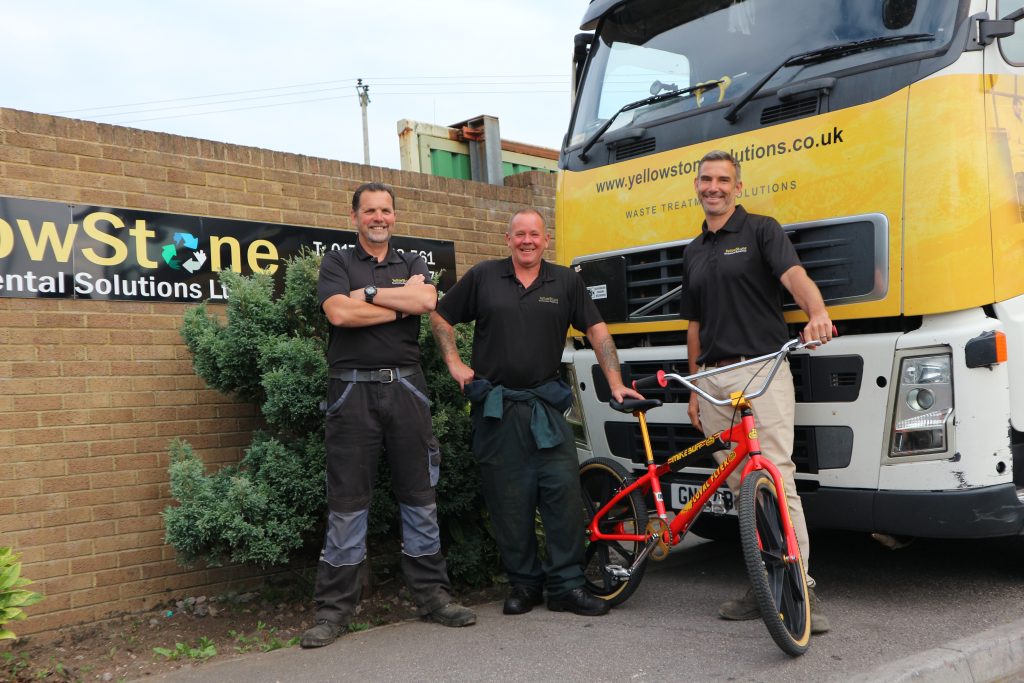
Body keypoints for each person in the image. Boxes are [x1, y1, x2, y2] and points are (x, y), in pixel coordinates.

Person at [429, 208, 644, 618]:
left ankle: (566, 586)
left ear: (547, 241)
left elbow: (597, 331)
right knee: (509, 501)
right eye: (520, 234)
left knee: (562, 496)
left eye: (535, 235)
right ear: (507, 239)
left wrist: (614, 381)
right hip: (498, 410)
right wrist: (454, 363)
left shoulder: (564, 281)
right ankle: (525, 585)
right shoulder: (484, 276)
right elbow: (440, 315)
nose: (527, 241)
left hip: (546, 407)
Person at [302, 182, 475, 649]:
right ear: (354, 216)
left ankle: (433, 597)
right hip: (350, 392)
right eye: (370, 210)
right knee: (347, 502)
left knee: (420, 496)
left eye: (386, 210)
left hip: (407, 390)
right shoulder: (337, 263)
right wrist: (395, 304)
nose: (379, 217)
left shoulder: (412, 263)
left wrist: (371, 293)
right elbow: (339, 314)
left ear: (394, 216)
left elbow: (425, 302)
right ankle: (334, 611)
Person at [681, 150, 833, 634]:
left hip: (760, 372)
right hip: (711, 381)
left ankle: (800, 587)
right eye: (707, 179)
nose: (714, 187)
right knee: (740, 488)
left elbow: (795, 278)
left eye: (723, 180)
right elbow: (695, 323)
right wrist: (693, 383)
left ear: (737, 187)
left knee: (774, 476)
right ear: (698, 186)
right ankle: (766, 584)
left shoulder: (762, 230)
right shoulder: (693, 250)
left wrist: (817, 312)